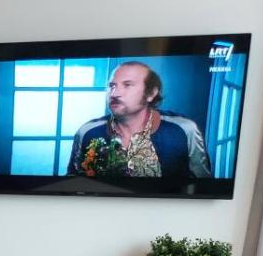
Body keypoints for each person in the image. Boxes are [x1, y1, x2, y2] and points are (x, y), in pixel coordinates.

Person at [67, 61, 212, 179]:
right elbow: (74, 186)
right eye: (112, 86)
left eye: (127, 85)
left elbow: (202, 188)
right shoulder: (87, 132)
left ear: (151, 93)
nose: (114, 93)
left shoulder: (185, 130)